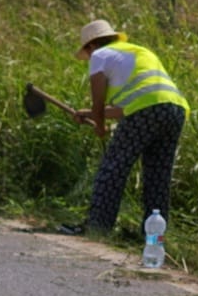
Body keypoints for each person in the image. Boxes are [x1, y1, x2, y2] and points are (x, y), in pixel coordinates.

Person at [70, 19, 190, 237]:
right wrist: (90, 115)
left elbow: (98, 101)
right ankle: (153, 236)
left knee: (113, 167)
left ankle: (97, 227)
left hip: (146, 111)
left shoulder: (99, 56)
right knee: (158, 175)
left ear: (91, 46)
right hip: (175, 109)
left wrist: (99, 125)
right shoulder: (137, 52)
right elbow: (134, 104)